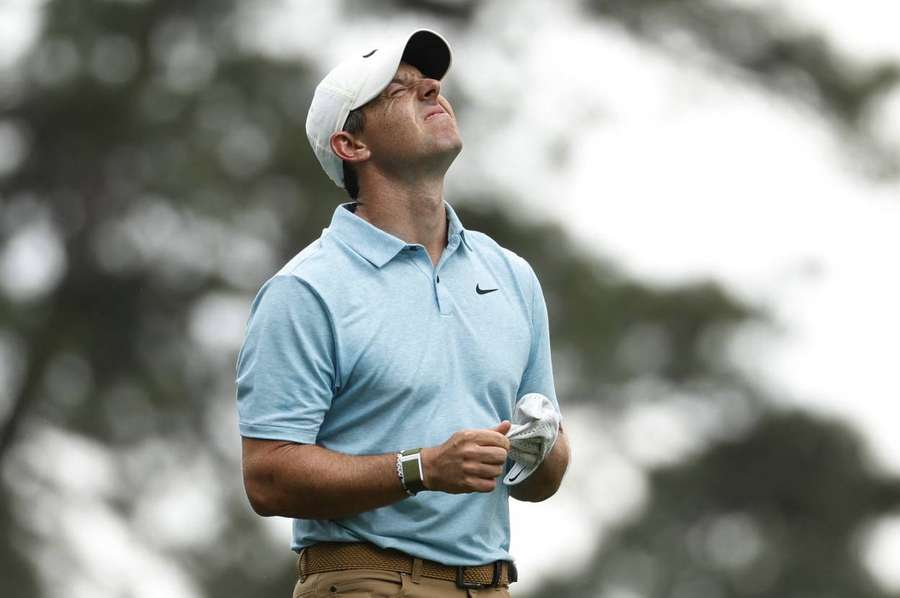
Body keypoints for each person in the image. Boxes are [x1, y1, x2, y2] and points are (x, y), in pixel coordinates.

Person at [235, 29, 569, 598]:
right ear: (352, 146)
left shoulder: (512, 275)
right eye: (399, 91)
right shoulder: (307, 289)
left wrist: (540, 453)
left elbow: (539, 478)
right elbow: (267, 476)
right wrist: (422, 468)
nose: (432, 89)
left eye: (431, 82)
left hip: (492, 585)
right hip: (366, 581)